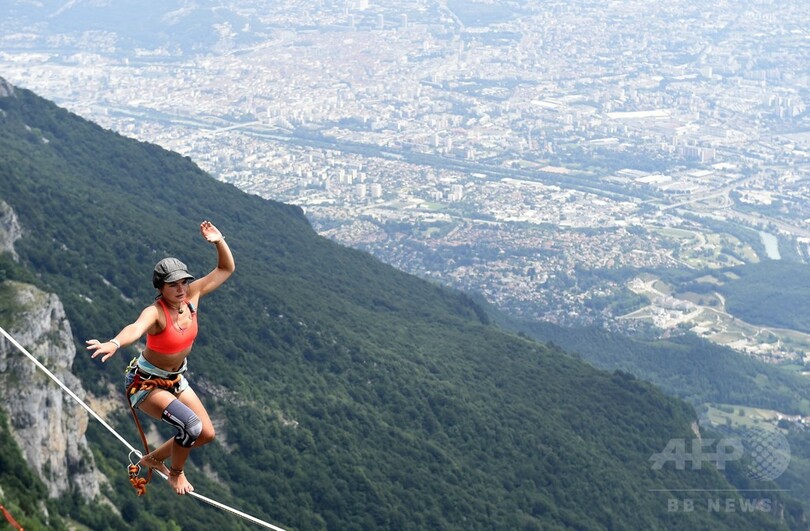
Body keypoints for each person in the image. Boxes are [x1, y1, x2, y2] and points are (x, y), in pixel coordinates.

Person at [86, 220, 234, 495]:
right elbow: (136, 328)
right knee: (190, 425)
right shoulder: (156, 312)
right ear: (161, 288)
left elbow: (225, 268)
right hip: (147, 383)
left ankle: (155, 458)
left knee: (206, 434)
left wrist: (218, 240)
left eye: (183, 282)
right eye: (172, 285)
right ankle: (175, 474)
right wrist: (115, 343)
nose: (180, 289)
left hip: (175, 379)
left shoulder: (192, 296)